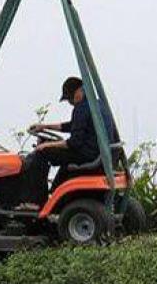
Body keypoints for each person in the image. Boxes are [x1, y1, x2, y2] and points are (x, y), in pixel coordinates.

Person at [19, 76, 117, 208]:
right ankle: (54, 194)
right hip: (97, 153)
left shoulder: (81, 108)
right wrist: (45, 126)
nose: (70, 102)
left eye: (70, 98)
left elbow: (74, 143)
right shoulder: (97, 105)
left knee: (41, 154)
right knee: (51, 152)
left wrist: (46, 145)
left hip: (88, 155)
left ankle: (34, 201)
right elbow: (73, 126)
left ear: (78, 92)